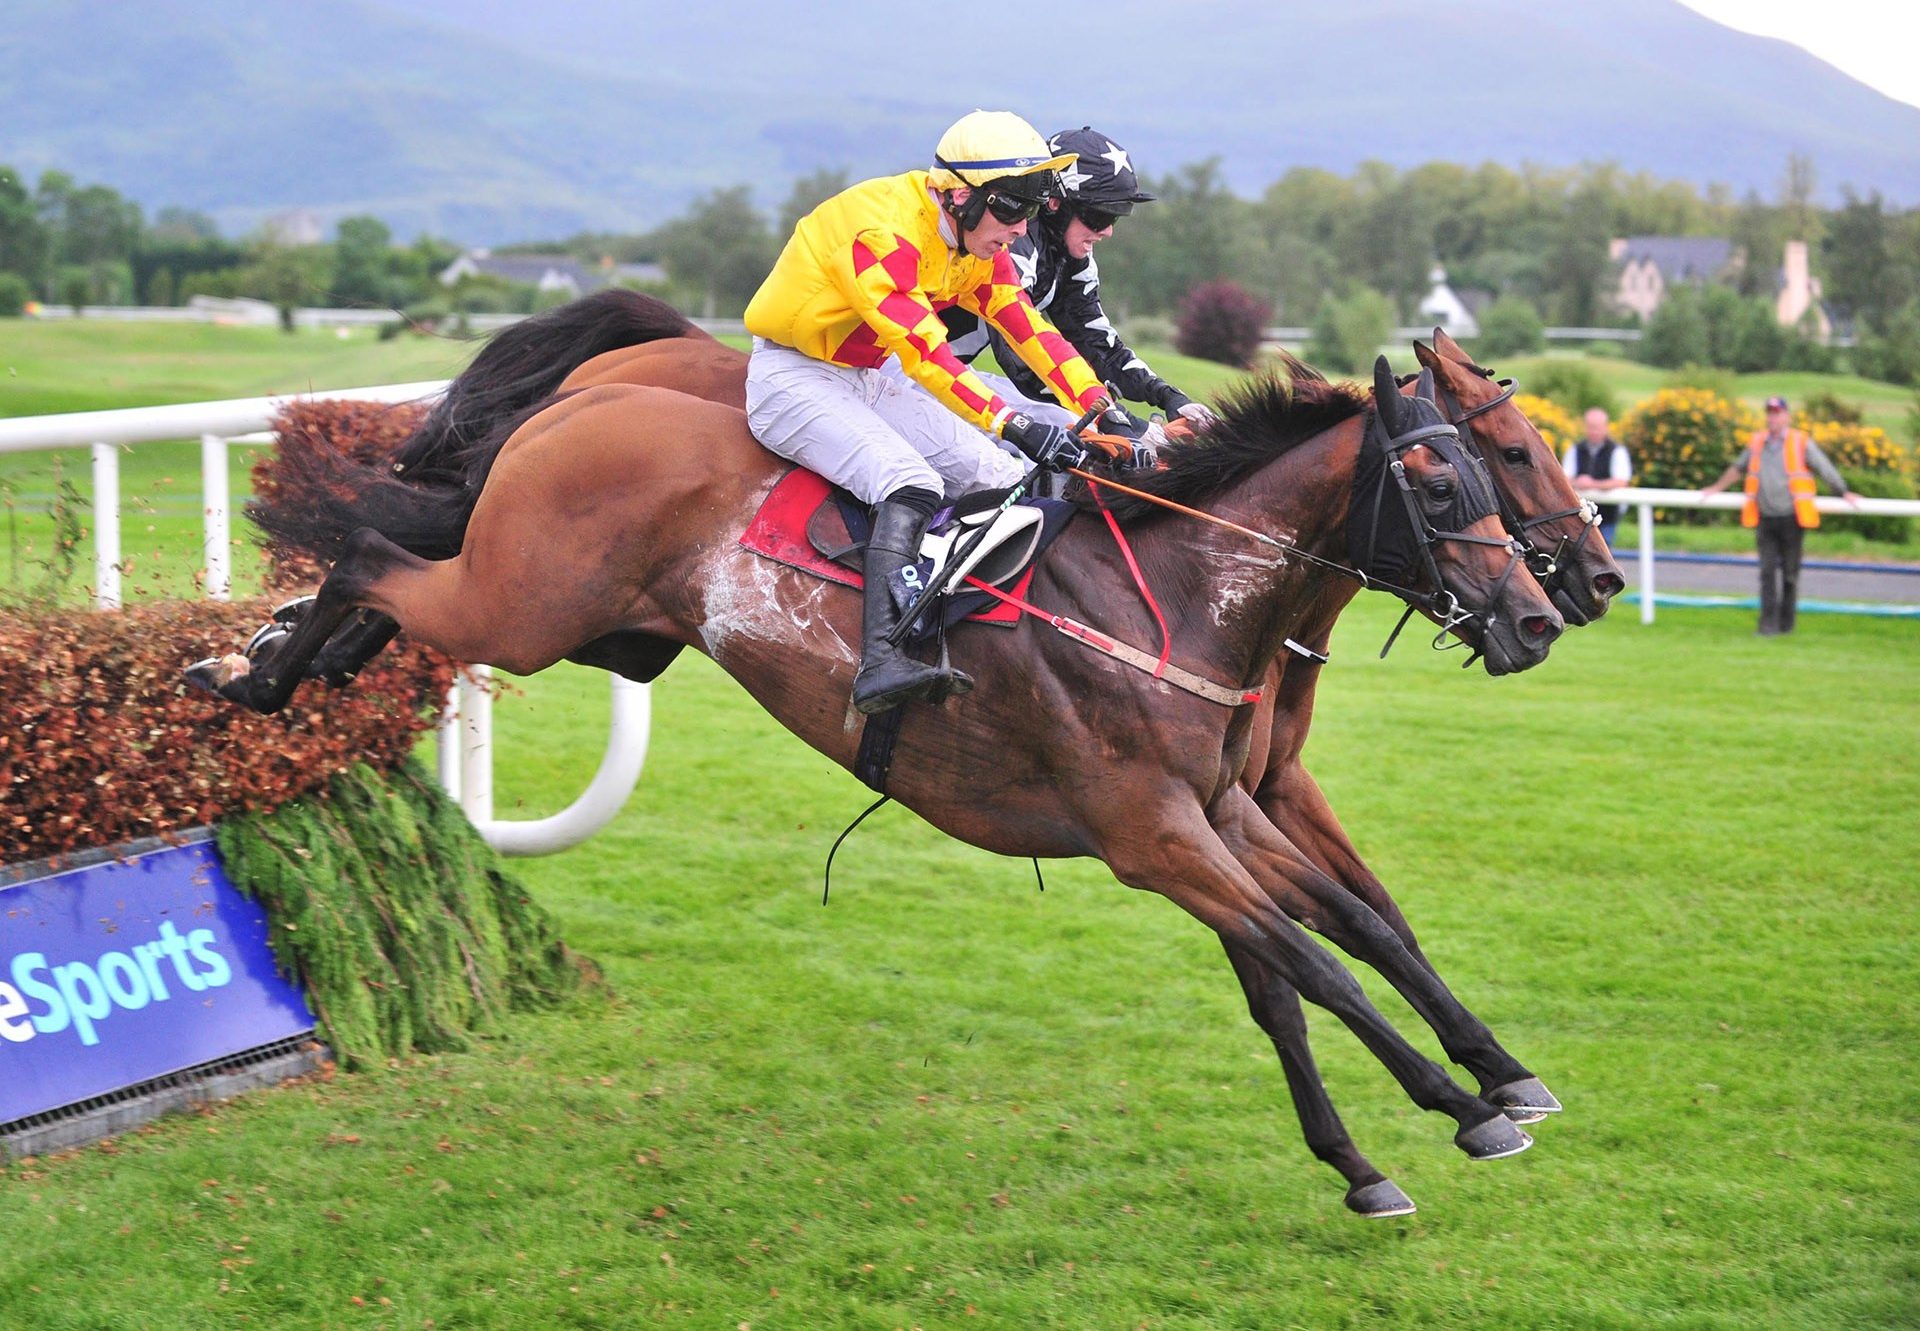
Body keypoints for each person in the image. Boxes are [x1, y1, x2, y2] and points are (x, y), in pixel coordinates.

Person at [743, 110, 1119, 714]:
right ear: (960, 195)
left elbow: (1029, 329)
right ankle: (880, 660)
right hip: (793, 377)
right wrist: (1016, 424)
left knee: (1001, 480)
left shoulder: (973, 239)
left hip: (869, 374)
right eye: (1012, 210)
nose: (1021, 231)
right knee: (911, 481)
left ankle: (978, 640)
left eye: (1030, 211)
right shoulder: (881, 232)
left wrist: (1096, 404)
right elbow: (928, 356)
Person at [934, 126, 1217, 444]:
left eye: (1116, 218)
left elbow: (1099, 346)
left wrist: (1170, 397)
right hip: (911, 371)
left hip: (950, 374)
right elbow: (1021, 356)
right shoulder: (1013, 241)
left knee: (1073, 429)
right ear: (1055, 203)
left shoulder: (1068, 255)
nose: (1107, 232)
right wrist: (1119, 420)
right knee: (1057, 437)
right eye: (1099, 217)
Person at [1699, 395, 1862, 635]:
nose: (1772, 417)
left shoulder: (1800, 441)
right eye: (1769, 413)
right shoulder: (1757, 442)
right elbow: (1737, 469)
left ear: (1786, 416)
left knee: (1790, 574)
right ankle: (1767, 626)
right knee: (1766, 573)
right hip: (1765, 517)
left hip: (1792, 518)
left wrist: (1843, 492)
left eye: (1777, 413)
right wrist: (1714, 489)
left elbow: (1824, 468)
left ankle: (1786, 624)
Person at [1563, 407, 1633, 548]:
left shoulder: (1617, 451)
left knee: (1604, 548)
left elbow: (1621, 481)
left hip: (1607, 514)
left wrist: (1591, 484)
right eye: (1591, 427)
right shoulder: (1575, 449)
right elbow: (1564, 478)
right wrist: (1579, 482)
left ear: (1606, 427)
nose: (1594, 432)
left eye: (1597, 428)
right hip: (1579, 515)